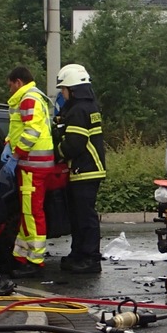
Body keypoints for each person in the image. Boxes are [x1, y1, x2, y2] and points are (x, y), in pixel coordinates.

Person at [54, 63, 105, 273]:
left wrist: (56, 151)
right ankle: (79, 253)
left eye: (63, 89)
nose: (62, 94)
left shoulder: (78, 111)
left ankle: (91, 258)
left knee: (85, 217)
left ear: (73, 90)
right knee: (78, 216)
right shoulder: (87, 107)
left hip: (85, 170)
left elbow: (74, 143)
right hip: (85, 169)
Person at [4, 66, 55, 268]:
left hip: (33, 164)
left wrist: (16, 154)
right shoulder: (33, 97)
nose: (10, 91)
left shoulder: (28, 98)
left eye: (10, 86)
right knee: (28, 212)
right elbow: (20, 128)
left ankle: (35, 259)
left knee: (32, 212)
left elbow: (31, 131)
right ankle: (23, 256)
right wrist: (9, 142)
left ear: (18, 82)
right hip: (33, 163)